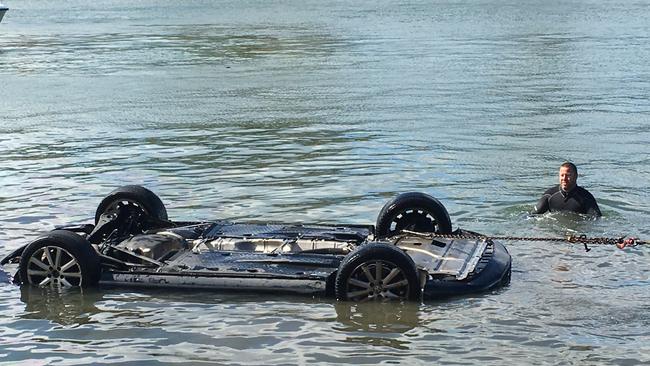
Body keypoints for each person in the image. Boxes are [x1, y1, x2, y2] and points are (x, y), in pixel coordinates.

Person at [534, 162, 601, 217]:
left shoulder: (586, 197)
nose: (564, 178)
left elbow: (597, 219)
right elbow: (532, 216)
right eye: (562, 175)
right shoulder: (549, 195)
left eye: (568, 175)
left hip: (577, 231)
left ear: (576, 176)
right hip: (554, 232)